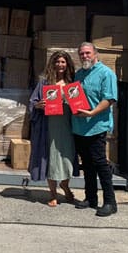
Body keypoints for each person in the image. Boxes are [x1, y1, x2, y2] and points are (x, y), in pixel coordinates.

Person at [72, 42, 118, 217]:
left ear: (95, 54)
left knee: (100, 164)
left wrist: (92, 112)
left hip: (96, 126)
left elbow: (109, 99)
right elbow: (74, 96)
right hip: (80, 127)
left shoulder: (106, 73)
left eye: (87, 53)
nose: (84, 56)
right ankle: (90, 198)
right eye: (81, 53)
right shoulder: (79, 74)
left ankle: (110, 202)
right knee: (88, 165)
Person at [28, 50, 78, 207]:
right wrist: (38, 105)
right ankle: (53, 194)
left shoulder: (72, 82)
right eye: (57, 62)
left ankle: (65, 185)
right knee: (51, 159)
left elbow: (80, 103)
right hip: (49, 126)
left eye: (63, 62)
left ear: (67, 64)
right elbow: (33, 102)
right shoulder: (45, 82)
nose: (60, 65)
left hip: (67, 126)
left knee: (67, 158)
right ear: (52, 63)